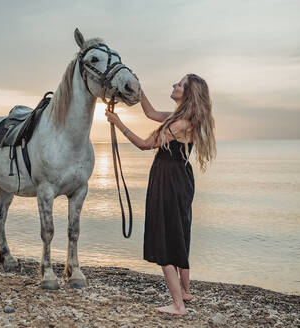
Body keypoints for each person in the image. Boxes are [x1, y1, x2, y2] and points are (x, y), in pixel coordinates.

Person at [105, 73, 216, 315]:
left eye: (180, 84)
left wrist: (117, 123)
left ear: (188, 94)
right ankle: (185, 292)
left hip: (169, 179)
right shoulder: (181, 117)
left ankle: (178, 305)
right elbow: (151, 114)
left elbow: (145, 144)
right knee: (179, 232)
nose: (174, 85)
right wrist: (139, 88)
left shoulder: (179, 124)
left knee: (165, 237)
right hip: (180, 178)